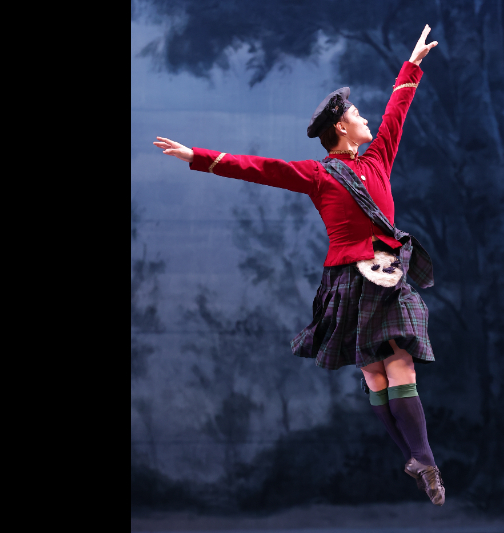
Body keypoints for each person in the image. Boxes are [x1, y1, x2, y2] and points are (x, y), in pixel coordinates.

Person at [154, 25, 445, 506]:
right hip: (347, 280)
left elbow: (397, 111)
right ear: (340, 128)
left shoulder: (378, 160)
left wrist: (411, 65)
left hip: (389, 275)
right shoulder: (317, 174)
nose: (365, 117)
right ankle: (415, 459)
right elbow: (260, 169)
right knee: (376, 375)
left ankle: (425, 461)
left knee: (401, 364)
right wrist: (198, 157)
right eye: (356, 114)